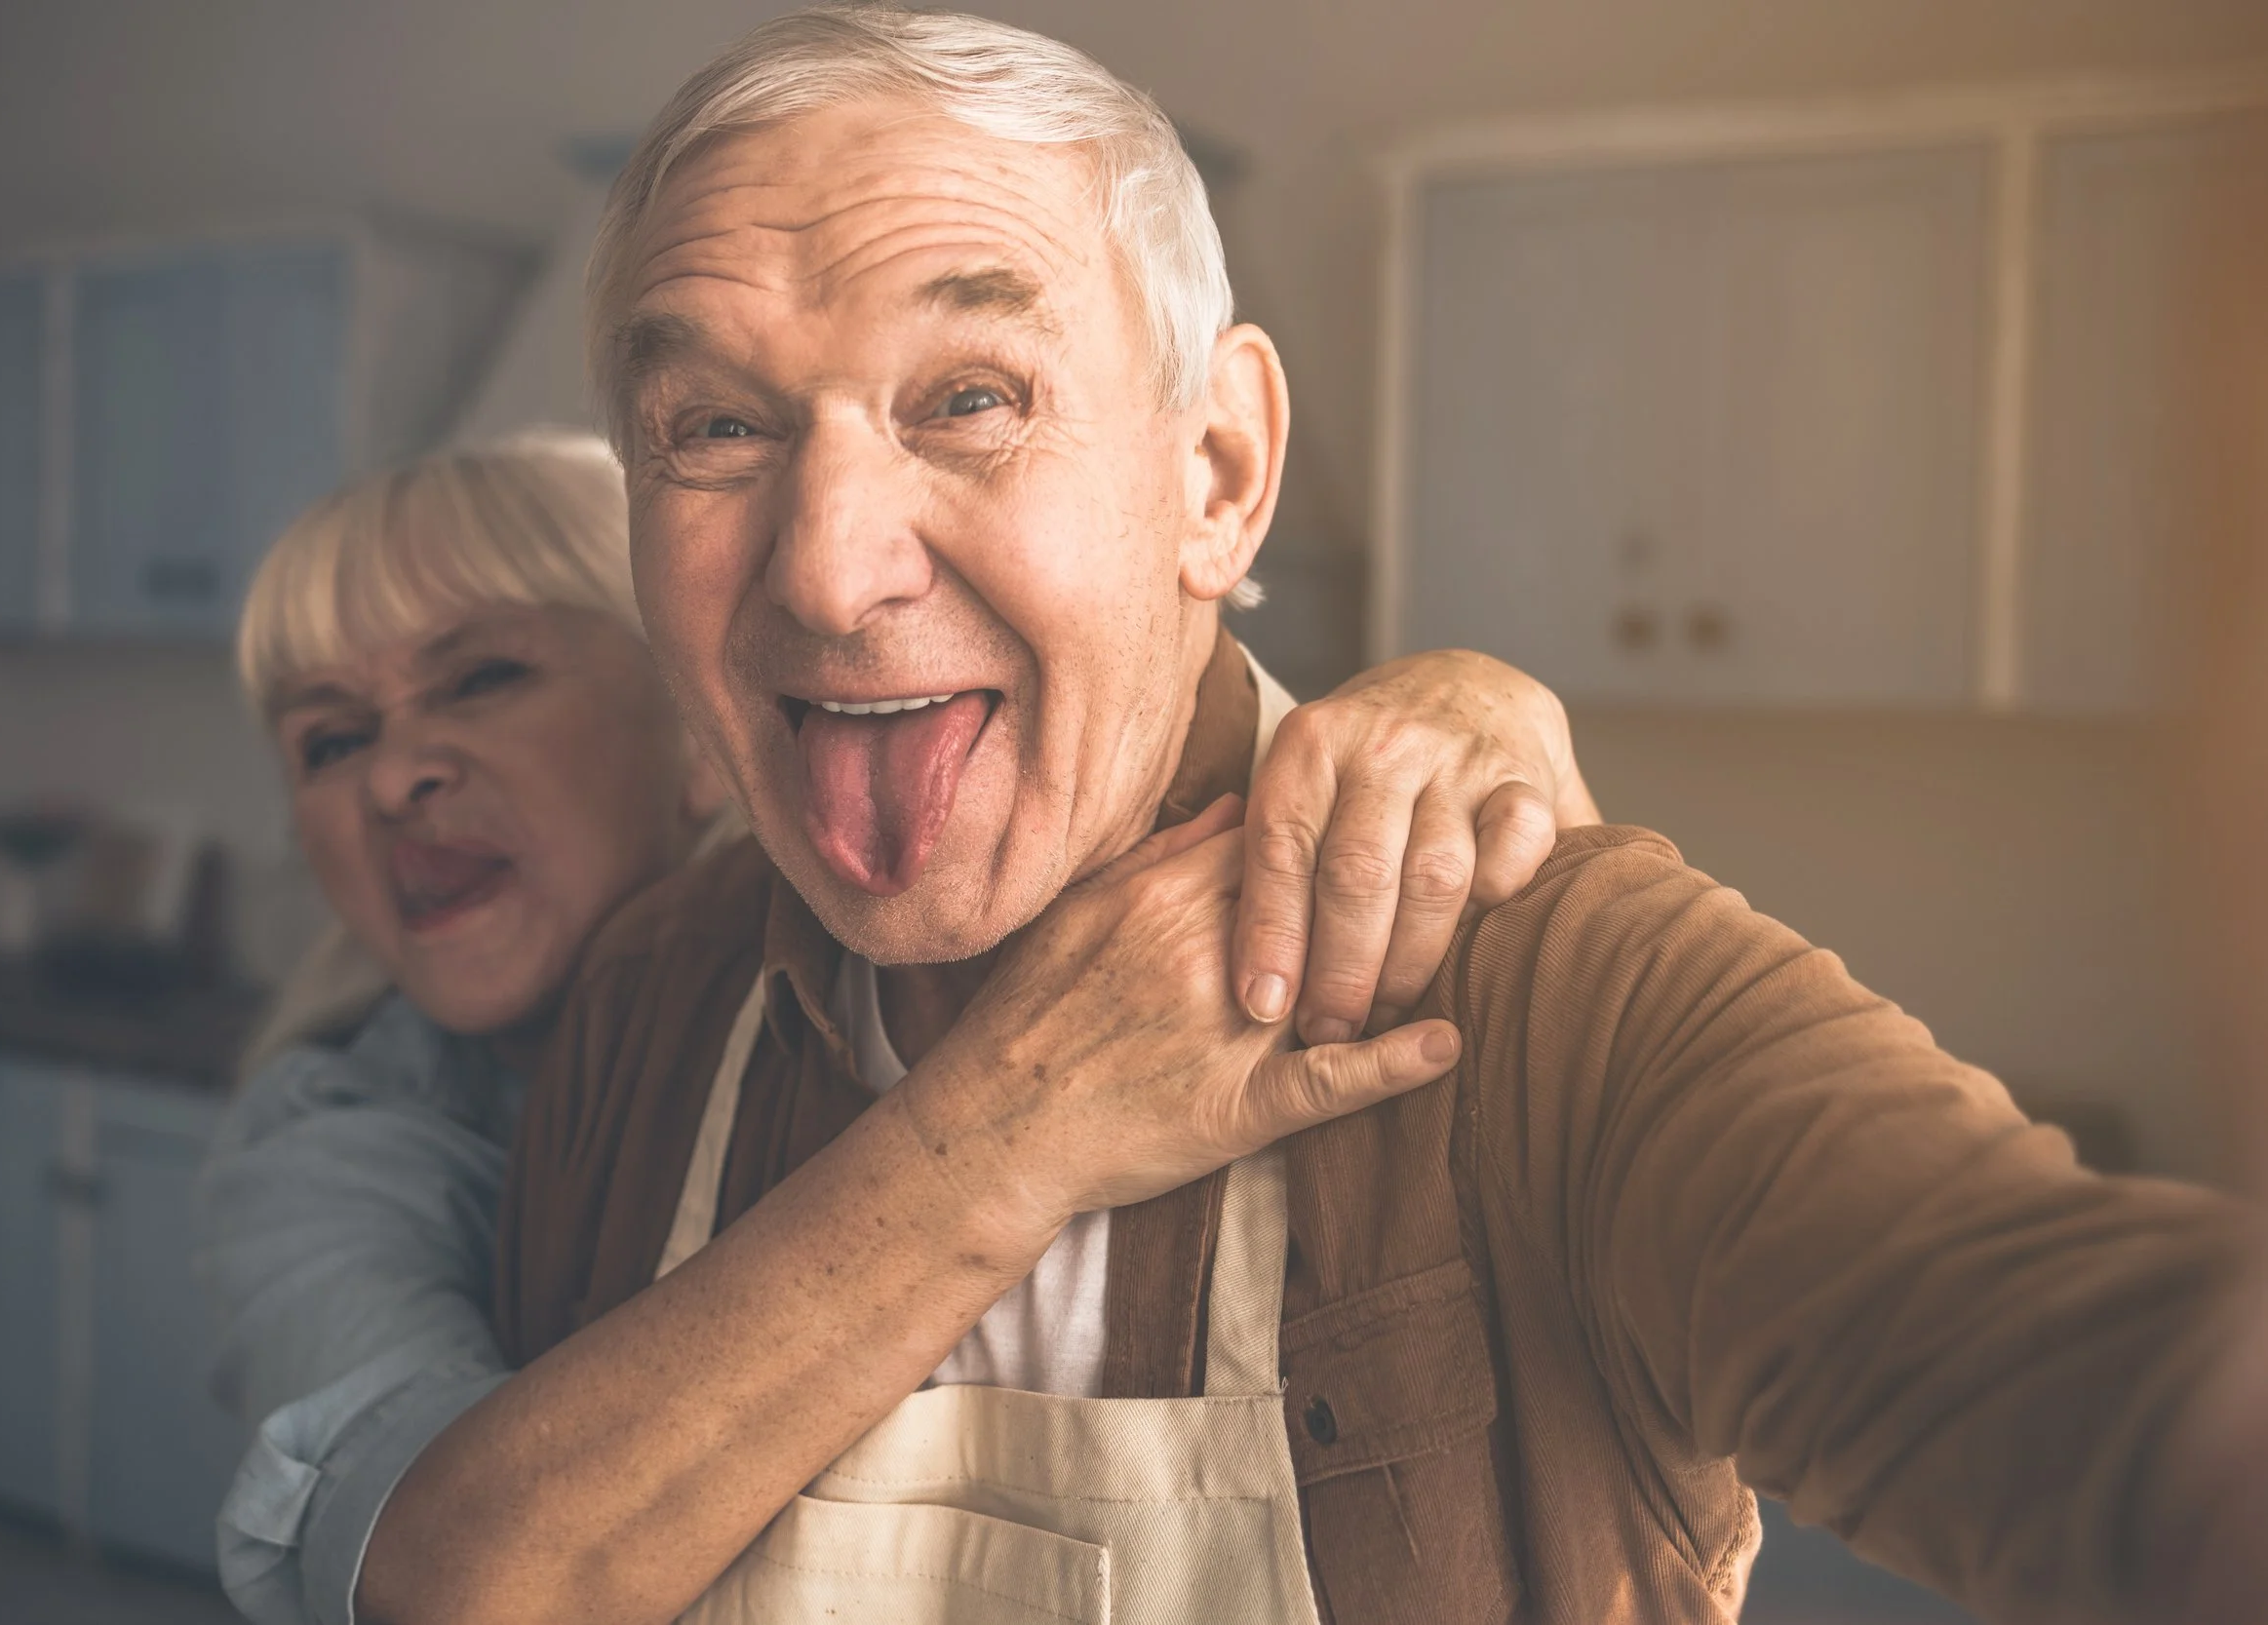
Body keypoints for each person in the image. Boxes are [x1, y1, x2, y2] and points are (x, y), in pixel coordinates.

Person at [365, 12, 2253, 1625]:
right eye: (711, 428)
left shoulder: (1534, 973)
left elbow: (2070, 1369)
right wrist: (1005, 1125)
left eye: (966, 396)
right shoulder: (650, 996)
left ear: (1215, 473)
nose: (828, 568)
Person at [200, 434, 1610, 1620]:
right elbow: (445, 1581)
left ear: (707, 717)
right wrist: (1021, 1122)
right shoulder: (327, 1149)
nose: (395, 774)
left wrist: (1471, 707)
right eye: (330, 738)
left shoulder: (926, 966)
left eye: (479, 678)